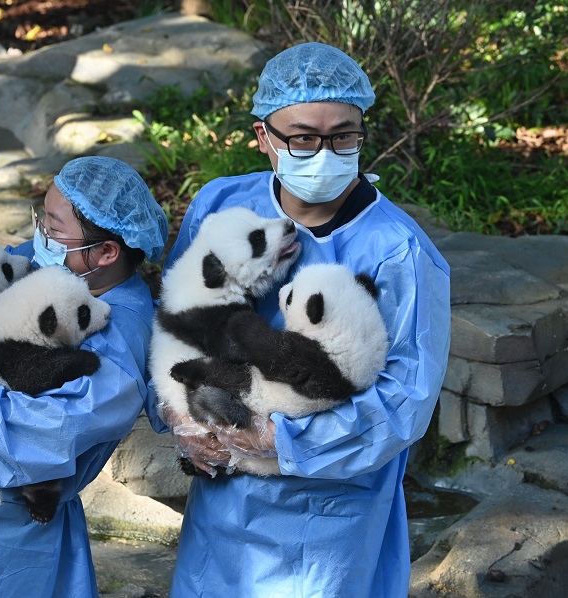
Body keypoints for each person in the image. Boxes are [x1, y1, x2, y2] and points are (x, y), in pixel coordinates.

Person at [151, 42, 451, 597]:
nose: (325, 152)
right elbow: (173, 319)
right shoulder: (222, 203)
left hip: (330, 513)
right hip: (222, 505)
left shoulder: (398, 251)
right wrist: (179, 416)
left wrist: (280, 438)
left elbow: (404, 400)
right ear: (263, 136)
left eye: (344, 136)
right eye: (304, 137)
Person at [0, 155, 169, 597]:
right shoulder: (58, 267)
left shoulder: (118, 339)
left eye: (52, 229)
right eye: (41, 221)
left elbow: (40, 435)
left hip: (10, 524)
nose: (39, 239)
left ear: (106, 252)